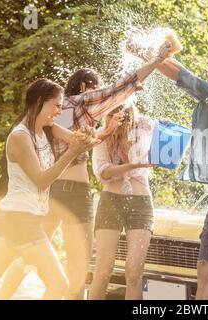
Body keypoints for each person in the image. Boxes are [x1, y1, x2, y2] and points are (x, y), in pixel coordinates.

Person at [0, 41, 171, 300]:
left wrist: (106, 131)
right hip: (76, 193)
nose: (100, 95)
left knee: (29, 255)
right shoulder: (81, 103)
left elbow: (76, 142)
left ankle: (0, 296)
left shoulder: (49, 113)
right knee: (78, 268)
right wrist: (156, 61)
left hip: (48, 190)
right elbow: (121, 88)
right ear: (83, 88)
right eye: (96, 89)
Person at [0, 79, 98, 300]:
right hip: (21, 219)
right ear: (39, 102)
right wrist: (72, 152)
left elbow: (80, 140)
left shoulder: (46, 128)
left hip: (18, 218)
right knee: (58, 284)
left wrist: (91, 134)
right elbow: (41, 181)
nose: (59, 111)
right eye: (56, 105)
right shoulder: (20, 137)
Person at [134, 52, 208, 299]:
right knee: (205, 269)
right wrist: (153, 56)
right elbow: (186, 77)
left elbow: (187, 78)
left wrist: (153, 55)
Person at [88, 104, 155, 300]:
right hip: (111, 202)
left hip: (141, 204)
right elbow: (103, 172)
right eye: (106, 115)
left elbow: (167, 141)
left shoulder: (144, 127)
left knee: (134, 272)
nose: (108, 119)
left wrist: (165, 130)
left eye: (112, 114)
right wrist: (133, 165)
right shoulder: (101, 135)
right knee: (103, 270)